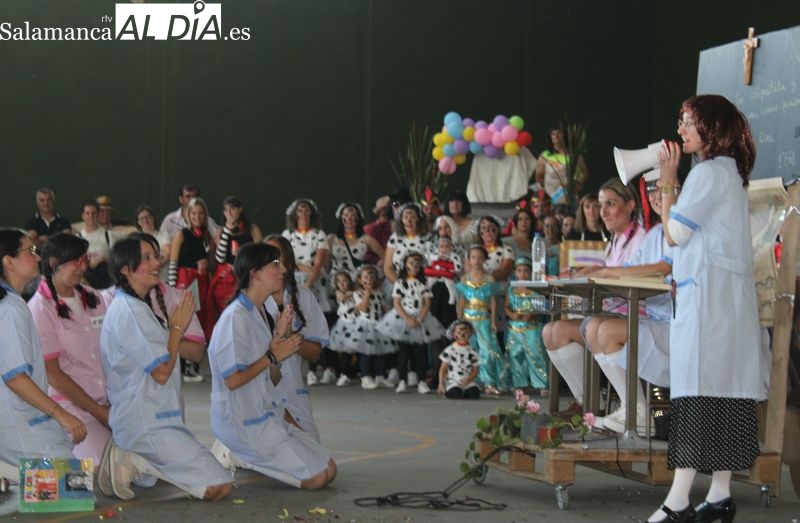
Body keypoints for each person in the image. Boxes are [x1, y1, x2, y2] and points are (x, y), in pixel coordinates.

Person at [645, 95, 764, 523]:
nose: (680, 130)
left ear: (712, 127)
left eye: (688, 122)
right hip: (720, 304)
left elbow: (673, 234)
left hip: (710, 306)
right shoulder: (723, 173)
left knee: (698, 395)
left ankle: (678, 503)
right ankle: (718, 495)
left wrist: (667, 179)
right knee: (724, 394)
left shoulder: (709, 174)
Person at [100, 234, 232, 501]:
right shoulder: (128, 310)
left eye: (155, 255)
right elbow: (161, 372)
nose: (156, 262)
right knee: (218, 487)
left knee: (218, 481)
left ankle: (139, 460)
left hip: (158, 419)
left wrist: (175, 329)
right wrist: (176, 328)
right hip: (144, 423)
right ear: (126, 268)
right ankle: (133, 458)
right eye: (146, 258)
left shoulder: (139, 306)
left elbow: (188, 353)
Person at [207, 242, 336, 489]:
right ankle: (240, 454)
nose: (282, 270)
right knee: (316, 479)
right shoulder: (236, 317)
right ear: (254, 274)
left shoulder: (257, 313)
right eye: (274, 265)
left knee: (329, 469)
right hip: (242, 420)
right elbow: (232, 380)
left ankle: (249, 453)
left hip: (265, 413)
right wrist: (272, 356)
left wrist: (278, 346)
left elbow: (273, 378)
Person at [542, 178, 646, 416]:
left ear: (630, 206)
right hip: (610, 313)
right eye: (601, 205)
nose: (604, 212)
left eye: (611, 204)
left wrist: (596, 275)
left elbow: (630, 277)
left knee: (595, 328)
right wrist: (581, 274)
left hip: (635, 315)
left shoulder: (641, 238)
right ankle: (586, 402)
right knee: (552, 332)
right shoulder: (614, 241)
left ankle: (633, 409)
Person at [580, 179, 674, 434]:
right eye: (652, 192)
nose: (657, 196)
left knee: (606, 330)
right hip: (656, 317)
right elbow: (633, 270)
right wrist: (601, 272)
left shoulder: (678, 230)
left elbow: (665, 268)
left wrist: (608, 272)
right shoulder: (655, 233)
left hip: (677, 322)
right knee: (593, 327)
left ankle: (637, 412)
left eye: (664, 189)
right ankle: (631, 407)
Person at [0, 229, 86, 483]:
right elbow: (14, 378)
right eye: (31, 251)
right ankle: (8, 473)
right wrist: (61, 413)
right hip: (19, 420)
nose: (38, 257)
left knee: (73, 479)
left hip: (26, 416)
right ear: (8, 261)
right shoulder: (11, 311)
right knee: (74, 488)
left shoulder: (13, 304)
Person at [27, 234, 110, 467]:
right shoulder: (40, 309)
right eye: (75, 260)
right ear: (53, 263)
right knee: (99, 467)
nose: (83, 266)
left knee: (143, 466)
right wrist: (99, 412)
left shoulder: (94, 298)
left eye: (84, 259)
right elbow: (53, 374)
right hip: (74, 410)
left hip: (108, 404)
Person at [264, 235, 330, 443]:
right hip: (257, 389)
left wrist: (291, 336)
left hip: (292, 388)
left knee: (315, 455)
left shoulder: (303, 297)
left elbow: (315, 353)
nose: (275, 267)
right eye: (268, 260)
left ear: (289, 264)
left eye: (278, 259)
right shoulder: (250, 300)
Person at [377, 251, 445, 394]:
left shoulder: (424, 282)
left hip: (421, 318)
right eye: (411, 263)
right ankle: (402, 381)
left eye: (417, 264)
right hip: (403, 318)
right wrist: (407, 318)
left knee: (420, 352)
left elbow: (427, 302)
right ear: (405, 265)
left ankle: (421, 381)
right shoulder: (400, 282)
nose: (415, 266)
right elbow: (397, 302)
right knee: (403, 352)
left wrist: (420, 318)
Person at [169, 196, 215, 380]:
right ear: (188, 214)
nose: (197, 216)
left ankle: (192, 367)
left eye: (200, 213)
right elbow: (173, 262)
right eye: (194, 213)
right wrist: (172, 291)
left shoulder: (207, 236)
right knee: (185, 320)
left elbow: (213, 263)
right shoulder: (181, 234)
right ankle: (182, 367)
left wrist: (207, 262)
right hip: (184, 281)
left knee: (199, 322)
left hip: (201, 282)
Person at [330, 265, 395, 389]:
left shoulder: (378, 292)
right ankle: (366, 377)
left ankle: (380, 376)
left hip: (377, 324)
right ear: (360, 280)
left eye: (372, 277)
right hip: (366, 324)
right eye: (366, 277)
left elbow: (380, 304)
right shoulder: (358, 293)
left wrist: (386, 308)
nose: (369, 280)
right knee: (367, 352)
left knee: (380, 352)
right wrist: (367, 292)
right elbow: (363, 308)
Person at [456, 245, 507, 395]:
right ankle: (471, 381)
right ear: (469, 260)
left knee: (488, 350)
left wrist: (493, 321)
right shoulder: (464, 279)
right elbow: (462, 301)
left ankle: (489, 382)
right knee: (469, 350)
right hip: (467, 319)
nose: (476, 260)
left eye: (479, 257)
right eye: (473, 257)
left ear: (484, 259)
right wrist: (459, 320)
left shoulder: (489, 278)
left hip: (484, 318)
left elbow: (493, 301)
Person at [208, 197, 263, 328]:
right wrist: (227, 230)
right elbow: (219, 258)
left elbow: (261, 253)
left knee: (246, 314)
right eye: (226, 209)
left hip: (246, 275)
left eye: (232, 208)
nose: (229, 212)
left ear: (240, 209)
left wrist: (245, 254)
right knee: (227, 314)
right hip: (225, 278)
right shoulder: (222, 230)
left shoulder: (252, 228)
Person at [504, 257, 549, 394]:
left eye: (525, 271)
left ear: (530, 273)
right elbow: (506, 307)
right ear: (515, 272)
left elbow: (543, 307)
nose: (522, 274)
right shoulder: (512, 290)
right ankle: (520, 384)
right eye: (519, 271)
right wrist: (512, 315)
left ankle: (541, 384)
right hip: (515, 329)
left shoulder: (536, 289)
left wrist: (532, 314)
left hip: (532, 328)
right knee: (516, 355)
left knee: (536, 355)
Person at [533, 126, 589, 204]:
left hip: (571, 198)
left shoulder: (574, 155)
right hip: (552, 198)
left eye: (559, 133)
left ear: (564, 135)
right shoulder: (544, 156)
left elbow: (585, 175)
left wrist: (576, 183)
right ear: (550, 138)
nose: (556, 136)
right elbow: (539, 178)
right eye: (553, 134)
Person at [78, 199, 118, 290]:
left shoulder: (109, 236)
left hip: (106, 283)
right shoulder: (77, 238)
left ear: (98, 214)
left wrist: (103, 259)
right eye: (87, 213)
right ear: (83, 216)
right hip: (85, 283)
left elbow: (117, 260)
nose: (91, 216)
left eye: (94, 213)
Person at [437, 320, 480, 399]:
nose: (462, 336)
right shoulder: (450, 350)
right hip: (454, 381)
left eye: (465, 333)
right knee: (455, 393)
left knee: (474, 393)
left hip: (467, 381)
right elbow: (443, 369)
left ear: (470, 333)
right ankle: (450, 392)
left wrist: (469, 379)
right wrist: (441, 383)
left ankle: (465, 392)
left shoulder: (472, 352)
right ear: (454, 334)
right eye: (459, 333)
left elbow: (475, 369)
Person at [134, 204, 172, 281]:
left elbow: (167, 254)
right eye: (142, 218)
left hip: (162, 280)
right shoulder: (135, 239)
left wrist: (150, 265)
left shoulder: (163, 235)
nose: (145, 220)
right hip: (142, 281)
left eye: (147, 217)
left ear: (153, 218)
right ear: (138, 222)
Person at [362, 196, 393, 265]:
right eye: (383, 209)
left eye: (388, 208)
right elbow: (364, 253)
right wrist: (377, 261)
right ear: (378, 212)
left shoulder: (398, 228)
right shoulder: (369, 229)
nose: (386, 211)